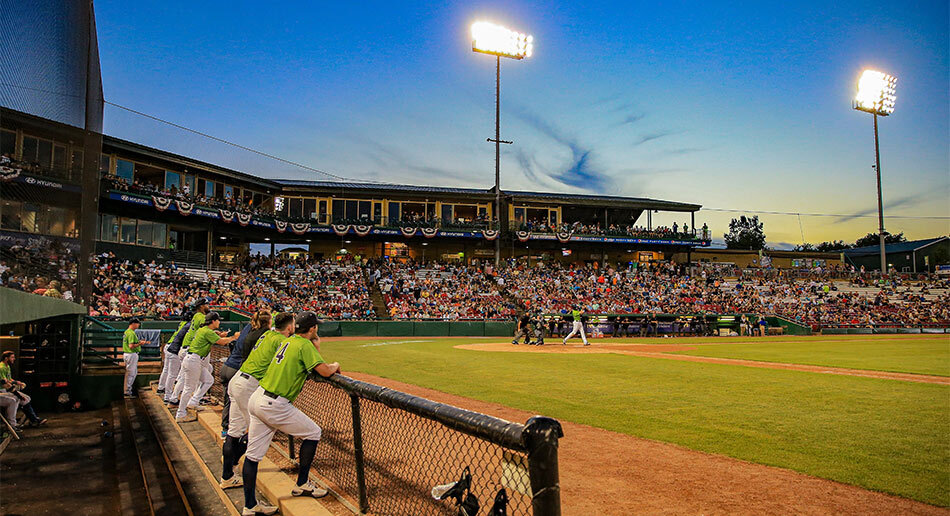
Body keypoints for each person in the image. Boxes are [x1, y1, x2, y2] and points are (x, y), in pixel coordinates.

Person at [242, 312, 340, 516]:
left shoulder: (290, 341)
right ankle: (302, 483)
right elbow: (324, 370)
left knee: (252, 457)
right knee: (313, 433)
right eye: (316, 326)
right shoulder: (304, 345)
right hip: (274, 404)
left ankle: (249, 506)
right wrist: (335, 365)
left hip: (258, 396)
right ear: (312, 329)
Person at [220, 312, 293, 490]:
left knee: (234, 431)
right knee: (257, 431)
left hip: (238, 379)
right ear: (290, 327)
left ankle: (228, 474)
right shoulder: (279, 339)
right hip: (249, 385)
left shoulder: (266, 334)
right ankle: (249, 499)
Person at [176, 312, 238, 423]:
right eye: (218, 320)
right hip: (193, 360)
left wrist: (218, 334)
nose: (219, 322)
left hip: (195, 359)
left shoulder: (203, 330)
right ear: (213, 321)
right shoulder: (206, 331)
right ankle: (180, 414)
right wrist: (234, 337)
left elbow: (213, 336)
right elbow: (221, 342)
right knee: (188, 388)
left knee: (209, 380)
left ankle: (193, 402)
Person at [220, 310, 272, 440]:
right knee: (249, 408)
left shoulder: (248, 329)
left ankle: (226, 429)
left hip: (228, 366)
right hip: (238, 369)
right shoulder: (261, 334)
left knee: (230, 402)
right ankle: (251, 435)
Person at [169, 299, 211, 407]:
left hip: (185, 349)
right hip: (192, 349)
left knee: (184, 377)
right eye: (206, 304)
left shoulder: (196, 316)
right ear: (201, 306)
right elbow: (207, 330)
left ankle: (173, 399)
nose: (208, 306)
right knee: (195, 377)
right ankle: (195, 400)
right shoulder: (201, 316)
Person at [0, 351, 46, 428]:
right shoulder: (1, 367)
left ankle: (33, 419)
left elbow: (8, 379)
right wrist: (17, 394)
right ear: (6, 358)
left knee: (27, 398)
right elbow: (5, 383)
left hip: (6, 389)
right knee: (16, 399)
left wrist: (17, 382)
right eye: (12, 357)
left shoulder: (7, 366)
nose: (14, 359)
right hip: (2, 390)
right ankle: (13, 424)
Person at [158, 313, 190, 396]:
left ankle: (161, 388)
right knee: (172, 374)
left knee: (166, 370)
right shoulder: (188, 325)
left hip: (169, 346)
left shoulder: (182, 323)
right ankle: (167, 395)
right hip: (174, 348)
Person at [123, 318, 146, 398]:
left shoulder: (127, 331)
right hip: (131, 354)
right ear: (133, 323)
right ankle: (127, 392)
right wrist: (140, 343)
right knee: (131, 373)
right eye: (137, 323)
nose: (138, 325)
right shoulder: (131, 333)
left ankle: (128, 391)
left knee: (131, 373)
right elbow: (131, 346)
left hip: (127, 354)